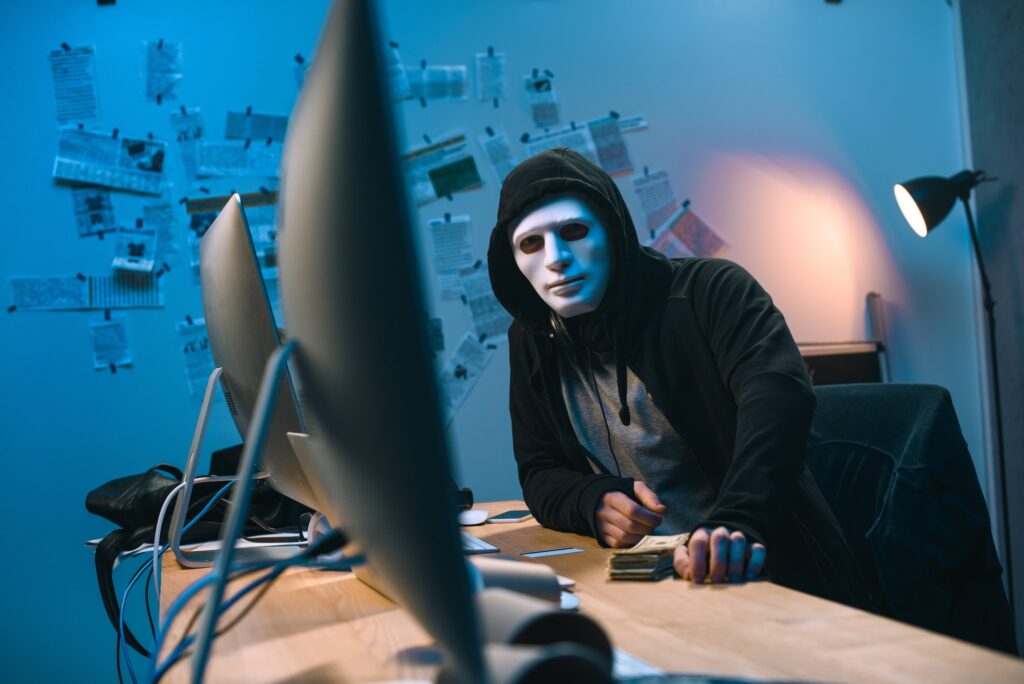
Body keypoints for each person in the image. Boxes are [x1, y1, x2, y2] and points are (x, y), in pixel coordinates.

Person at [486, 147, 872, 607]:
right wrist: (591, 501)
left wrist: (736, 520)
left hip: (770, 574)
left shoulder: (713, 292)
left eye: (574, 231)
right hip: (645, 586)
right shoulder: (534, 339)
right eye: (531, 243)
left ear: (612, 231)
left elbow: (780, 402)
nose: (556, 258)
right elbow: (539, 472)